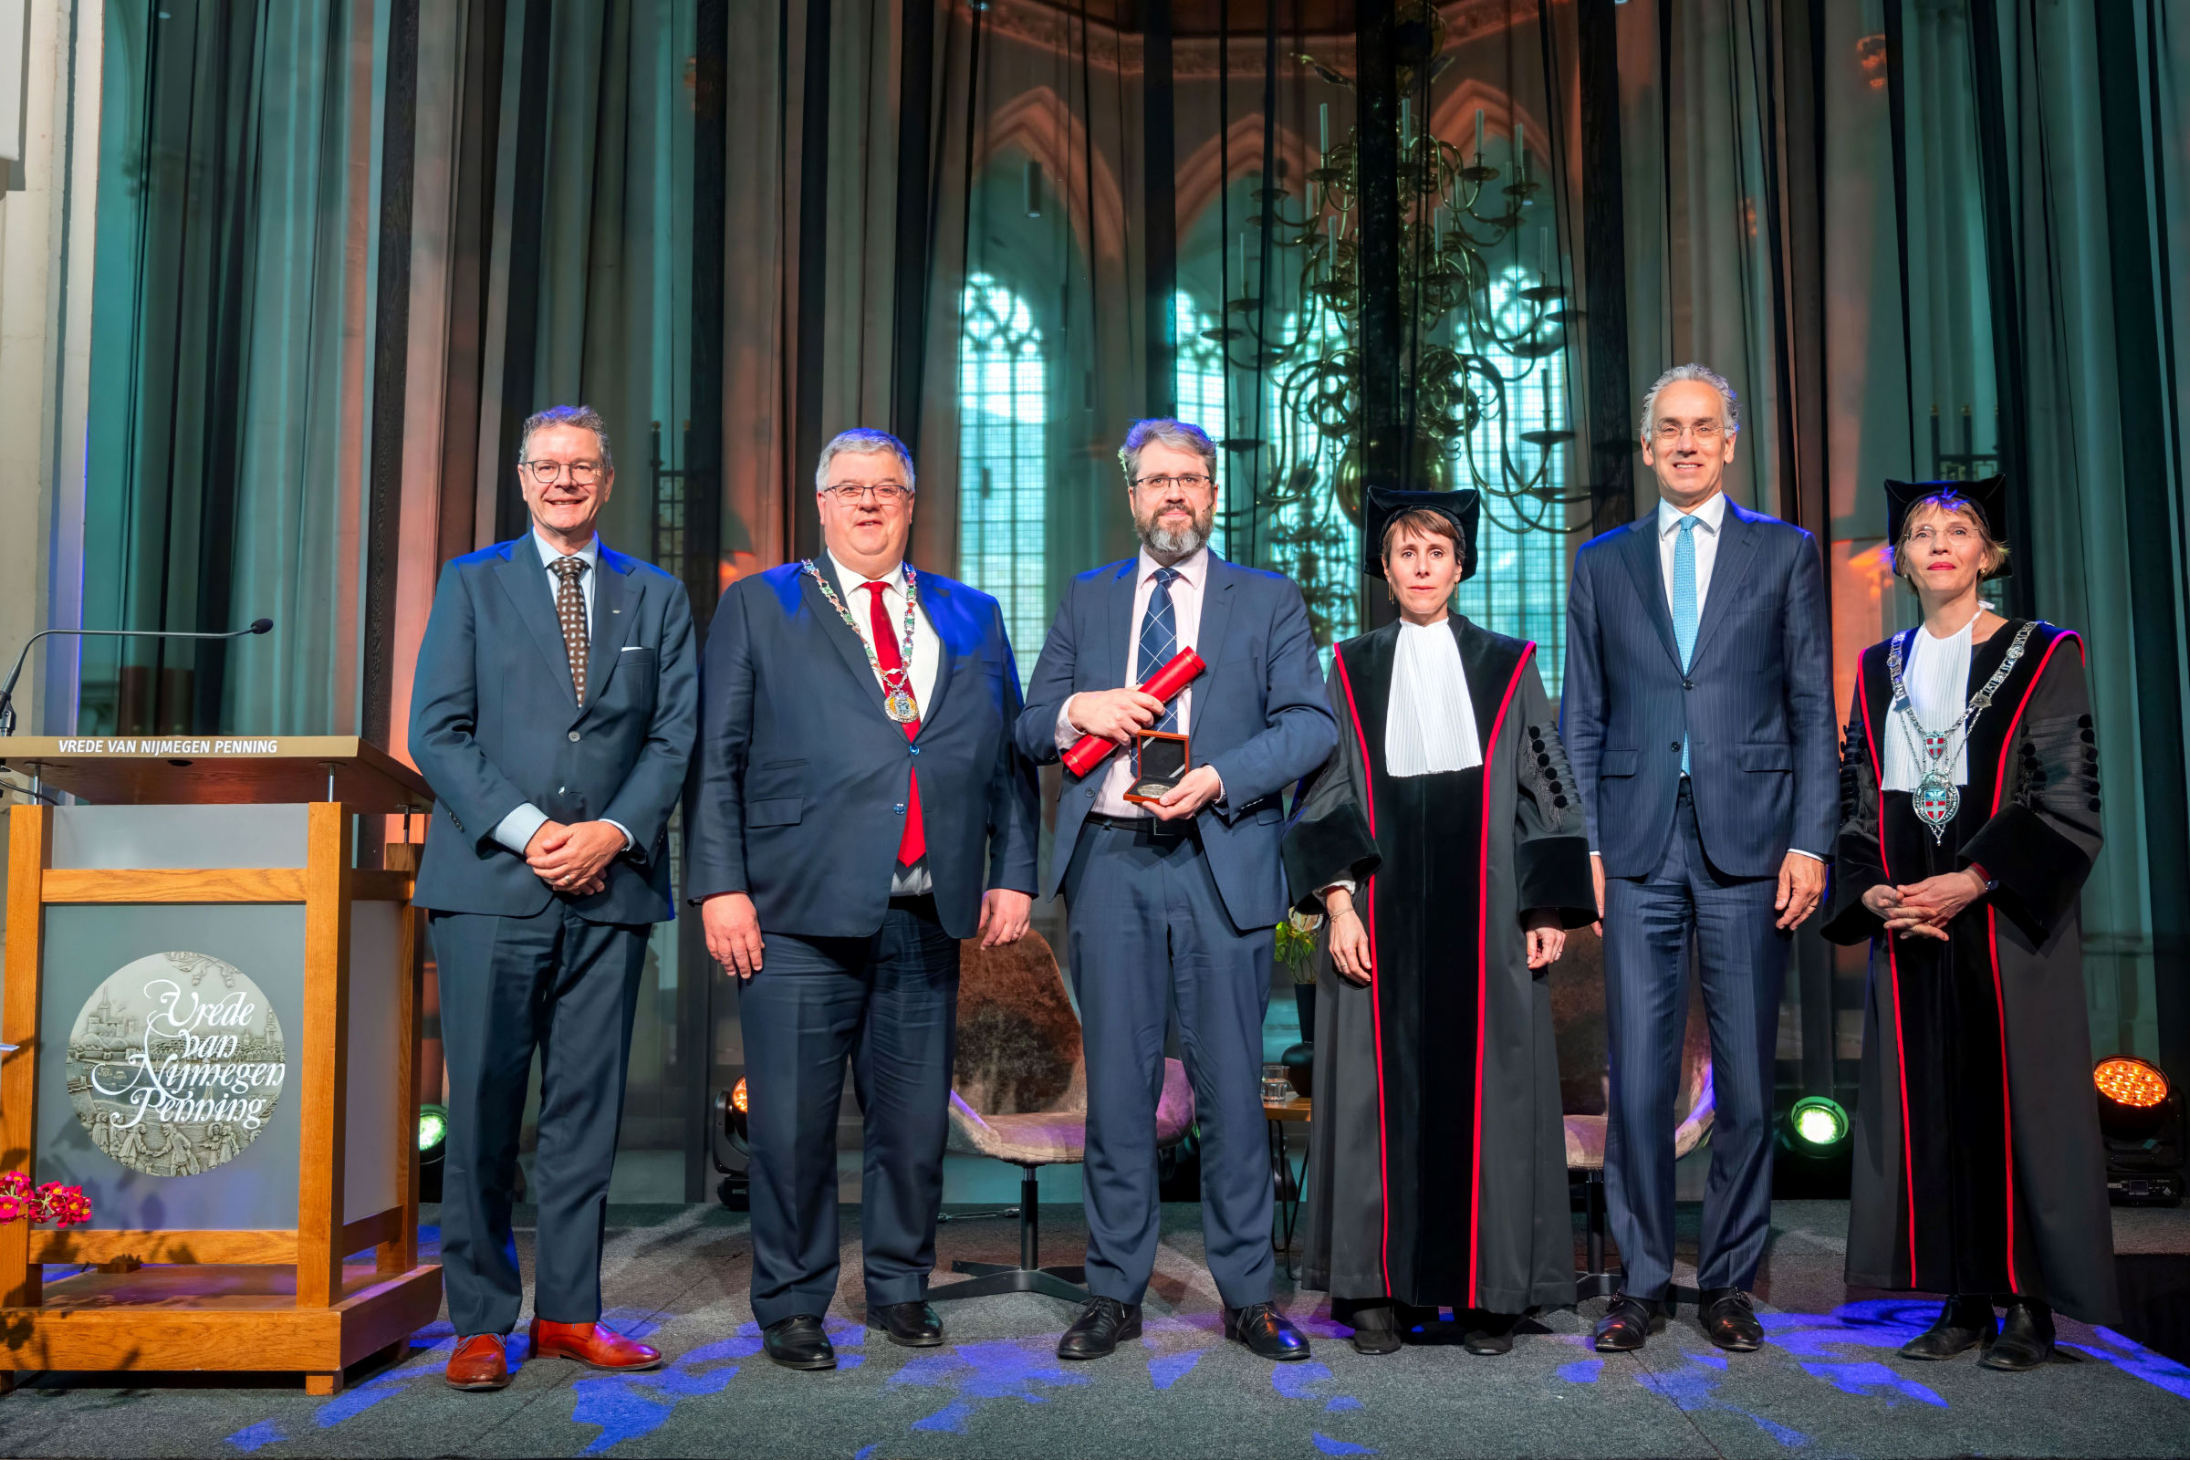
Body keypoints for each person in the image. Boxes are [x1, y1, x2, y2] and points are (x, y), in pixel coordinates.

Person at [686, 428, 1039, 1372]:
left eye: (887, 488)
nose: (870, 502)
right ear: (822, 503)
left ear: (911, 504)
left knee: (913, 1128)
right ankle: (793, 1303)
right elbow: (716, 760)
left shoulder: (972, 613)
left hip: (924, 912)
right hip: (794, 913)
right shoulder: (761, 604)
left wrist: (1013, 872)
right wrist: (720, 886)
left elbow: (1008, 760)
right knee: (793, 1128)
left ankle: (899, 1287)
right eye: (850, 489)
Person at [1015, 418, 1337, 1363]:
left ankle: (1248, 1297)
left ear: (1213, 493)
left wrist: (1222, 777)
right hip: (1111, 861)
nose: (1174, 495)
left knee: (1231, 1090)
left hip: (1217, 856)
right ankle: (1114, 1292)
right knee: (1119, 1093)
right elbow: (1029, 726)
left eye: (1190, 479)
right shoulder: (1088, 598)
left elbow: (1310, 725)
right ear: (1131, 495)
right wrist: (1080, 708)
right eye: (1157, 480)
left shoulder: (1267, 599)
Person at [410, 404, 699, 1391]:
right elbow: (437, 731)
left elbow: (673, 735)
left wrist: (613, 832)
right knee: (483, 1110)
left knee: (587, 1111)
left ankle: (570, 1313)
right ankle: (481, 1322)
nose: (565, 480)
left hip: (612, 886)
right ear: (524, 479)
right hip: (494, 885)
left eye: (582, 466)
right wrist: (533, 831)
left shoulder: (656, 594)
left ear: (606, 481)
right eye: (547, 466)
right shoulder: (472, 582)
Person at [1284, 487, 1595, 1358]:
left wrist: (1546, 904)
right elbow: (1324, 792)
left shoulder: (1510, 664)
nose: (1422, 568)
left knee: (1495, 1095)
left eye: (1437, 554)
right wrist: (1338, 904)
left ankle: (1493, 1295)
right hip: (1377, 919)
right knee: (1372, 1099)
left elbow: (1549, 785)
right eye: (1405, 554)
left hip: (1488, 919)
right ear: (1384, 572)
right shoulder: (1348, 668)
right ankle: (1373, 1291)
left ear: (1460, 567)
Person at [1562, 364, 1836, 1353]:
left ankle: (1726, 1280)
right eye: (1669, 428)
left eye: (1703, 426)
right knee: (1637, 1081)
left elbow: (1812, 705)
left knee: (1748, 1084)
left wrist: (1810, 837)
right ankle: (1639, 1280)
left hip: (1751, 841)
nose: (1686, 442)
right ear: (1647, 448)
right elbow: (1582, 713)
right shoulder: (1602, 562)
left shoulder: (1786, 551)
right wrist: (1586, 844)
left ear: (1729, 442)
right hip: (1636, 844)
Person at [1822, 476, 2117, 1370]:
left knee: (2020, 1103)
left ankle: (2030, 1304)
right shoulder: (1879, 668)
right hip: (1913, 925)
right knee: (1933, 1108)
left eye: (1959, 530)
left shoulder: (2043, 652)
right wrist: (1875, 892)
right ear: (1901, 560)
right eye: (1921, 532)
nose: (1940, 543)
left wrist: (1975, 878)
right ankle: (1962, 1296)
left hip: (2004, 924)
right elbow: (1859, 798)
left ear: (1989, 555)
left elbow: (2068, 796)